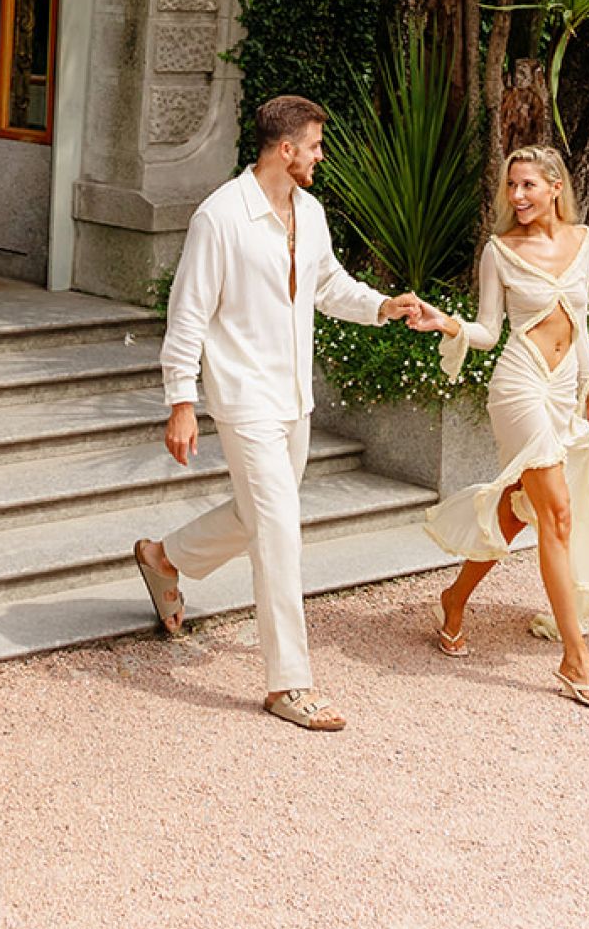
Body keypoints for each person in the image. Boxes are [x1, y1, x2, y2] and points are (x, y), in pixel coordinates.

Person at [132, 93, 421, 731]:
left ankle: (164, 556)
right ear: (284, 149)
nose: (321, 157)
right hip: (243, 399)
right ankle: (289, 683)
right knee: (280, 530)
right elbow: (187, 314)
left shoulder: (310, 212)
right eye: (314, 146)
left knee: (259, 514)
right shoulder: (220, 218)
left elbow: (327, 284)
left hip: (295, 399)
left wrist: (383, 306)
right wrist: (181, 400)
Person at [414, 144, 589, 712]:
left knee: (519, 510)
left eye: (528, 186)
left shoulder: (583, 241)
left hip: (565, 387)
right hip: (519, 386)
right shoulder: (500, 251)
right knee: (558, 511)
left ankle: (454, 598)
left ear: (555, 188)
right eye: (511, 187)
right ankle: (575, 657)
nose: (516, 197)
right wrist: (448, 324)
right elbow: (490, 331)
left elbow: (580, 323)